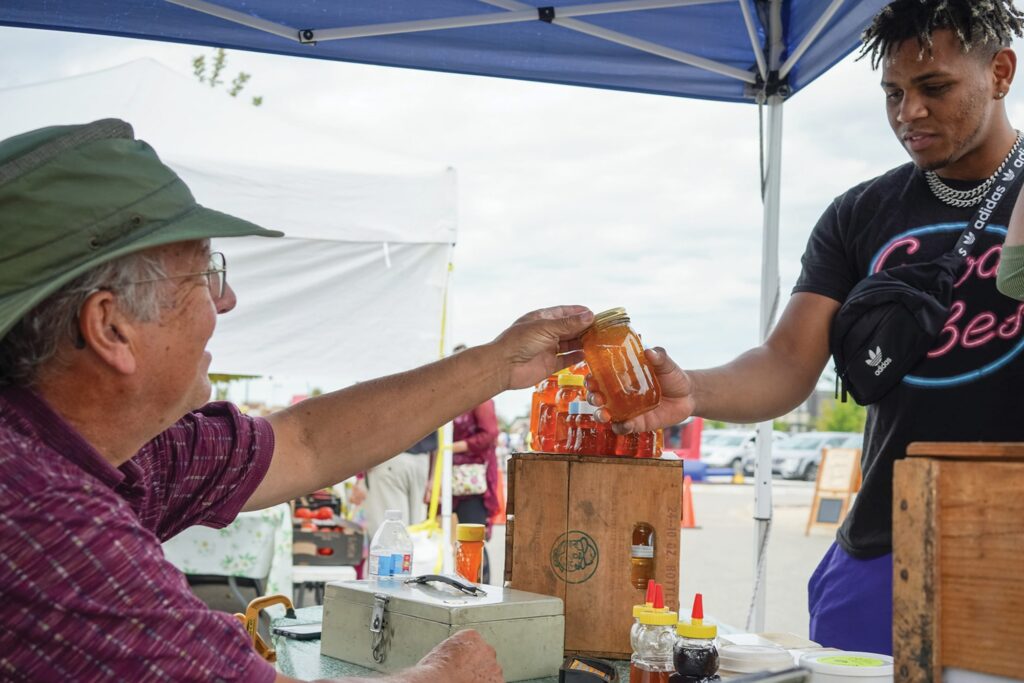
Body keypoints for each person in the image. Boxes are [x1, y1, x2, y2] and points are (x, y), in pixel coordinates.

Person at [0, 118, 594, 682]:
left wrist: (499, 363)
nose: (227, 299)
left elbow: (304, 443)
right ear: (110, 328)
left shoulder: (115, 452)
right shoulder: (40, 513)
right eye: (204, 273)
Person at [589, 0, 1024, 655]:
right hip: (889, 539)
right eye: (893, 94)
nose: (909, 113)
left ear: (1001, 72)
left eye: (934, 88)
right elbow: (789, 362)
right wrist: (692, 391)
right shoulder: (859, 214)